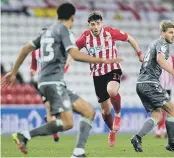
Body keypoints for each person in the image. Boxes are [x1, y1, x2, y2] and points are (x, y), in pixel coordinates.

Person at [1, 3, 122, 157]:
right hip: (53, 83)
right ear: (72, 18)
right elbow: (76, 55)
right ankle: (24, 135)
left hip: (48, 82)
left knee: (88, 112)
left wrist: (14, 72)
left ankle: (78, 152)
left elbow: (25, 49)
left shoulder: (47, 32)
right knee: (67, 123)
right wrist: (102, 61)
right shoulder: (64, 31)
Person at [75, 11, 144, 147]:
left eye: (98, 23)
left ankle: (118, 114)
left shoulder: (109, 32)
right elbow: (73, 50)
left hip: (113, 68)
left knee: (112, 91)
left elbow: (129, 38)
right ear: (88, 25)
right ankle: (112, 130)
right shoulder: (84, 38)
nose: (95, 27)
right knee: (105, 110)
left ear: (102, 24)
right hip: (97, 74)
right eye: (92, 24)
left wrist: (139, 53)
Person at [130, 20, 174, 152]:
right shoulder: (162, 43)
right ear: (162, 33)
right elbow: (160, 59)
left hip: (140, 84)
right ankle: (172, 145)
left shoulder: (154, 43)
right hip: (150, 83)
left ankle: (137, 138)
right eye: (170, 32)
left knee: (157, 115)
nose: (173, 35)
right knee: (173, 110)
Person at [30, 47, 72, 142]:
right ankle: (54, 131)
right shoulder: (35, 52)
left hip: (57, 81)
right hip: (43, 83)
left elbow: (64, 63)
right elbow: (33, 66)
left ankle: (52, 119)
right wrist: (33, 73)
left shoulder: (55, 48)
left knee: (59, 110)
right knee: (49, 106)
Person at [155, 54, 174, 138]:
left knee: (166, 110)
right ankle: (160, 129)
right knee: (159, 109)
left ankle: (163, 129)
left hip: (168, 88)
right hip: (158, 87)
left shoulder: (172, 58)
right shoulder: (156, 57)